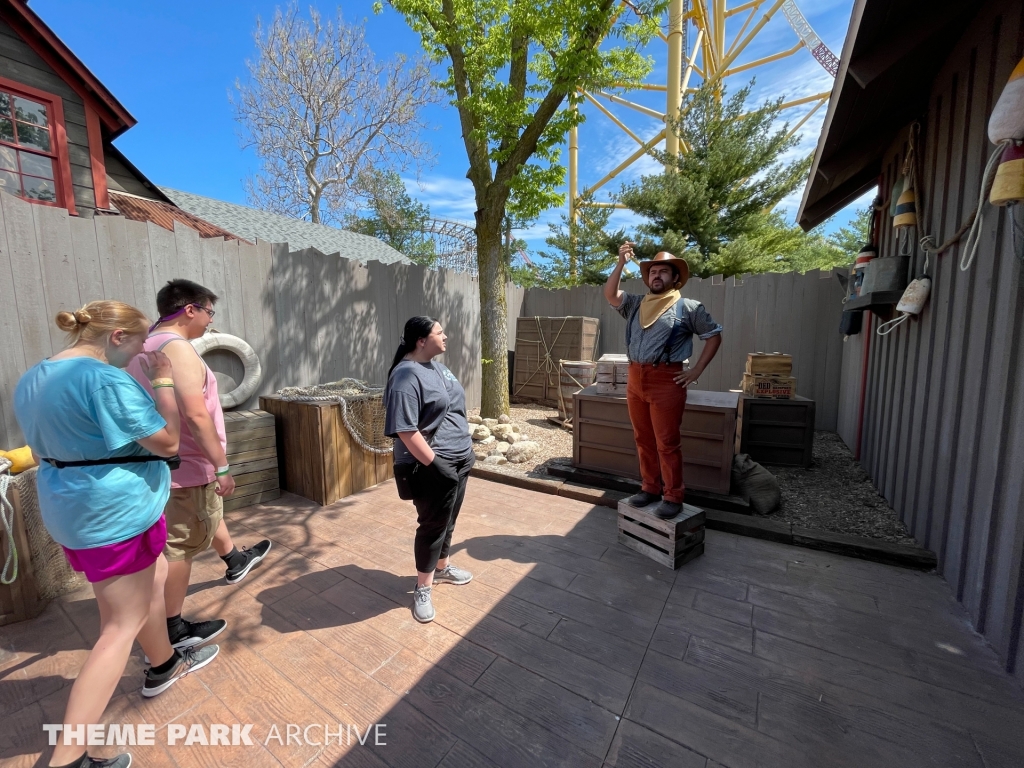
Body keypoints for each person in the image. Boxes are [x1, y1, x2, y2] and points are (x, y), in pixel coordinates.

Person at [14, 301, 220, 768]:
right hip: (114, 513)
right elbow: (167, 441)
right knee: (119, 627)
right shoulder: (103, 379)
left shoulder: (34, 377)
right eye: (140, 342)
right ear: (116, 336)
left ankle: (164, 663)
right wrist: (162, 381)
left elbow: (51, 445)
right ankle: (69, 758)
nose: (142, 352)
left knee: (155, 575)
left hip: (71, 507)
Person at [126, 280, 271, 654]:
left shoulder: (142, 348)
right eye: (209, 312)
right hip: (187, 465)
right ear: (189, 309)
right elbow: (195, 414)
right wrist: (221, 466)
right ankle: (173, 628)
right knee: (180, 548)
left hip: (158, 465)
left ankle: (235, 559)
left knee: (201, 516)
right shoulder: (177, 350)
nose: (210, 321)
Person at [603, 244, 724, 519]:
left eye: (663, 272)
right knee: (642, 438)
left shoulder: (688, 308)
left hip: (666, 380)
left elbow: (713, 336)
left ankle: (673, 496)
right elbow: (610, 294)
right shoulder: (636, 304)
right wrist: (621, 263)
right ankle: (650, 488)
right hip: (635, 378)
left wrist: (697, 370)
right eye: (652, 272)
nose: (656, 275)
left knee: (667, 442)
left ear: (675, 278)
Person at [384, 317, 476, 624]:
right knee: (432, 526)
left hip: (460, 458)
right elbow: (405, 429)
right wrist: (436, 465)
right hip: (434, 464)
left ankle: (442, 568)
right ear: (421, 340)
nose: (445, 336)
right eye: (439, 332)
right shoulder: (406, 376)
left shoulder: (436, 367)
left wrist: (467, 452)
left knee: (449, 520)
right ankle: (423, 588)